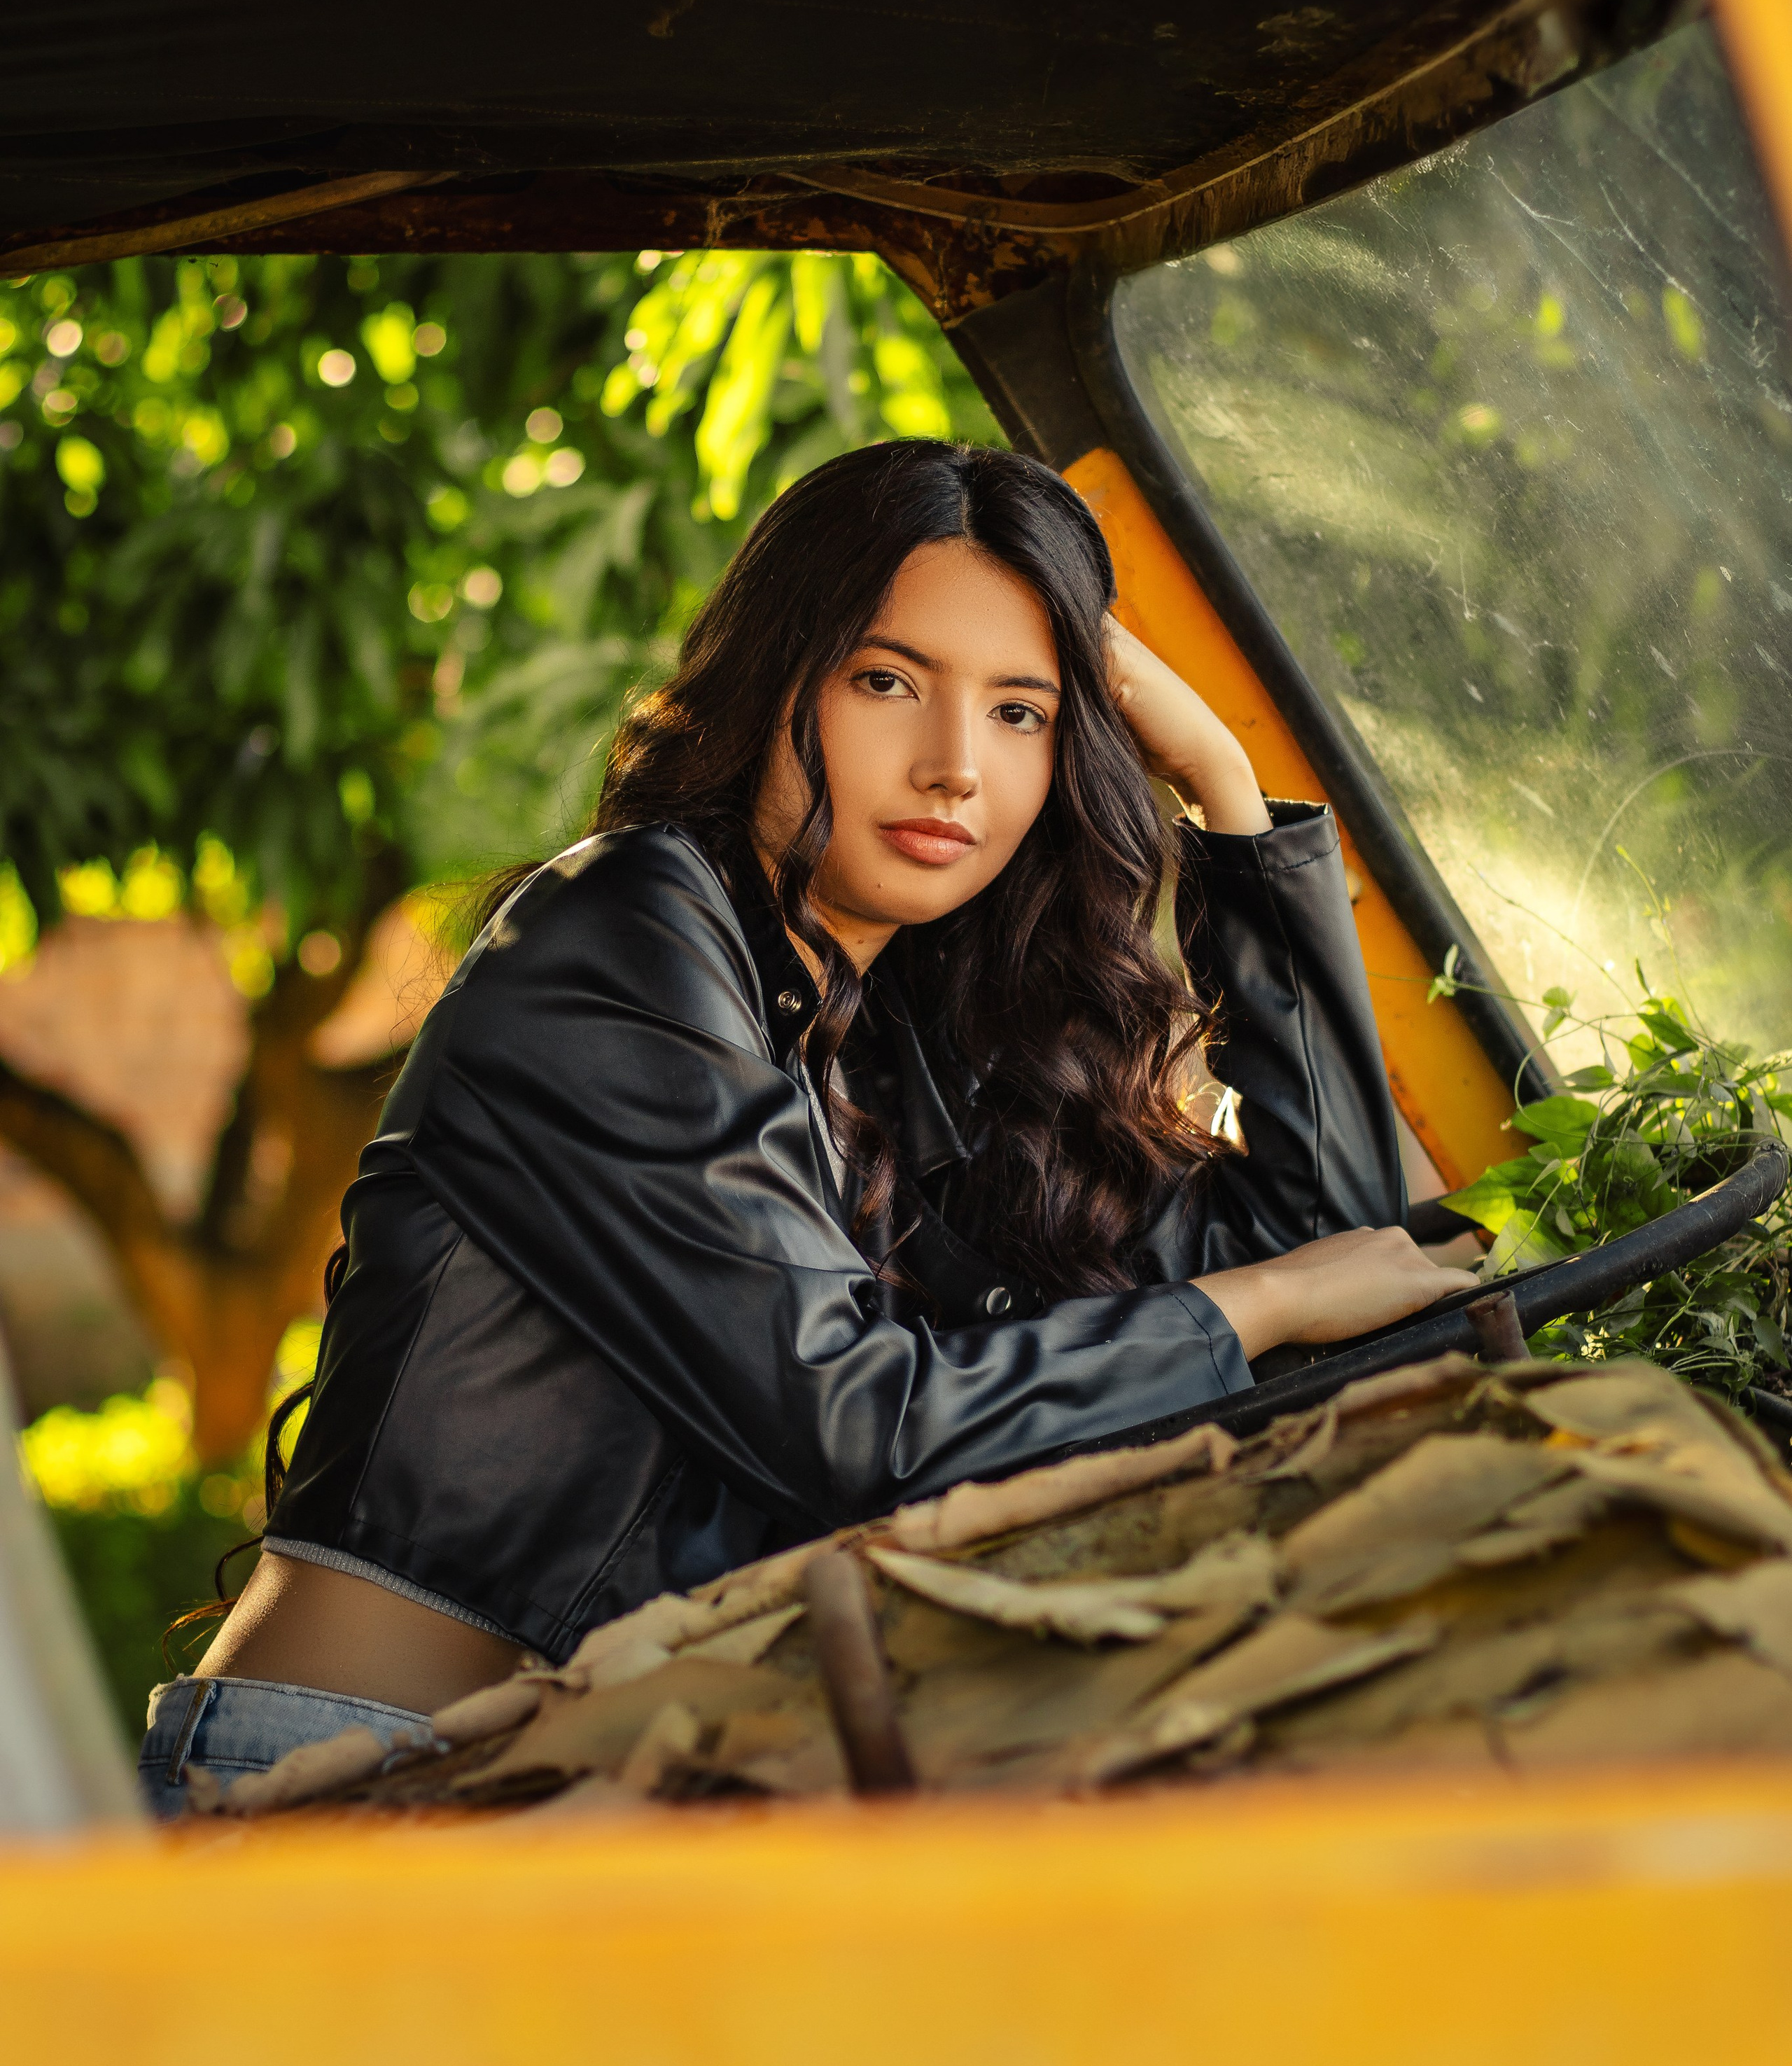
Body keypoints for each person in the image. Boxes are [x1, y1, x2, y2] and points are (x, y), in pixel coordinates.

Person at [139, 441, 1458, 1812]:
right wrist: (1259, 1305)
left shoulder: (895, 1032)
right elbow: (856, 1427)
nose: (954, 767)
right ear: (775, 676)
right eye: (886, 682)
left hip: (589, 1789)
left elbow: (1341, 1250)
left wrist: (1224, 792)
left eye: (1022, 713)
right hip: (350, 1781)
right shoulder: (621, 940)